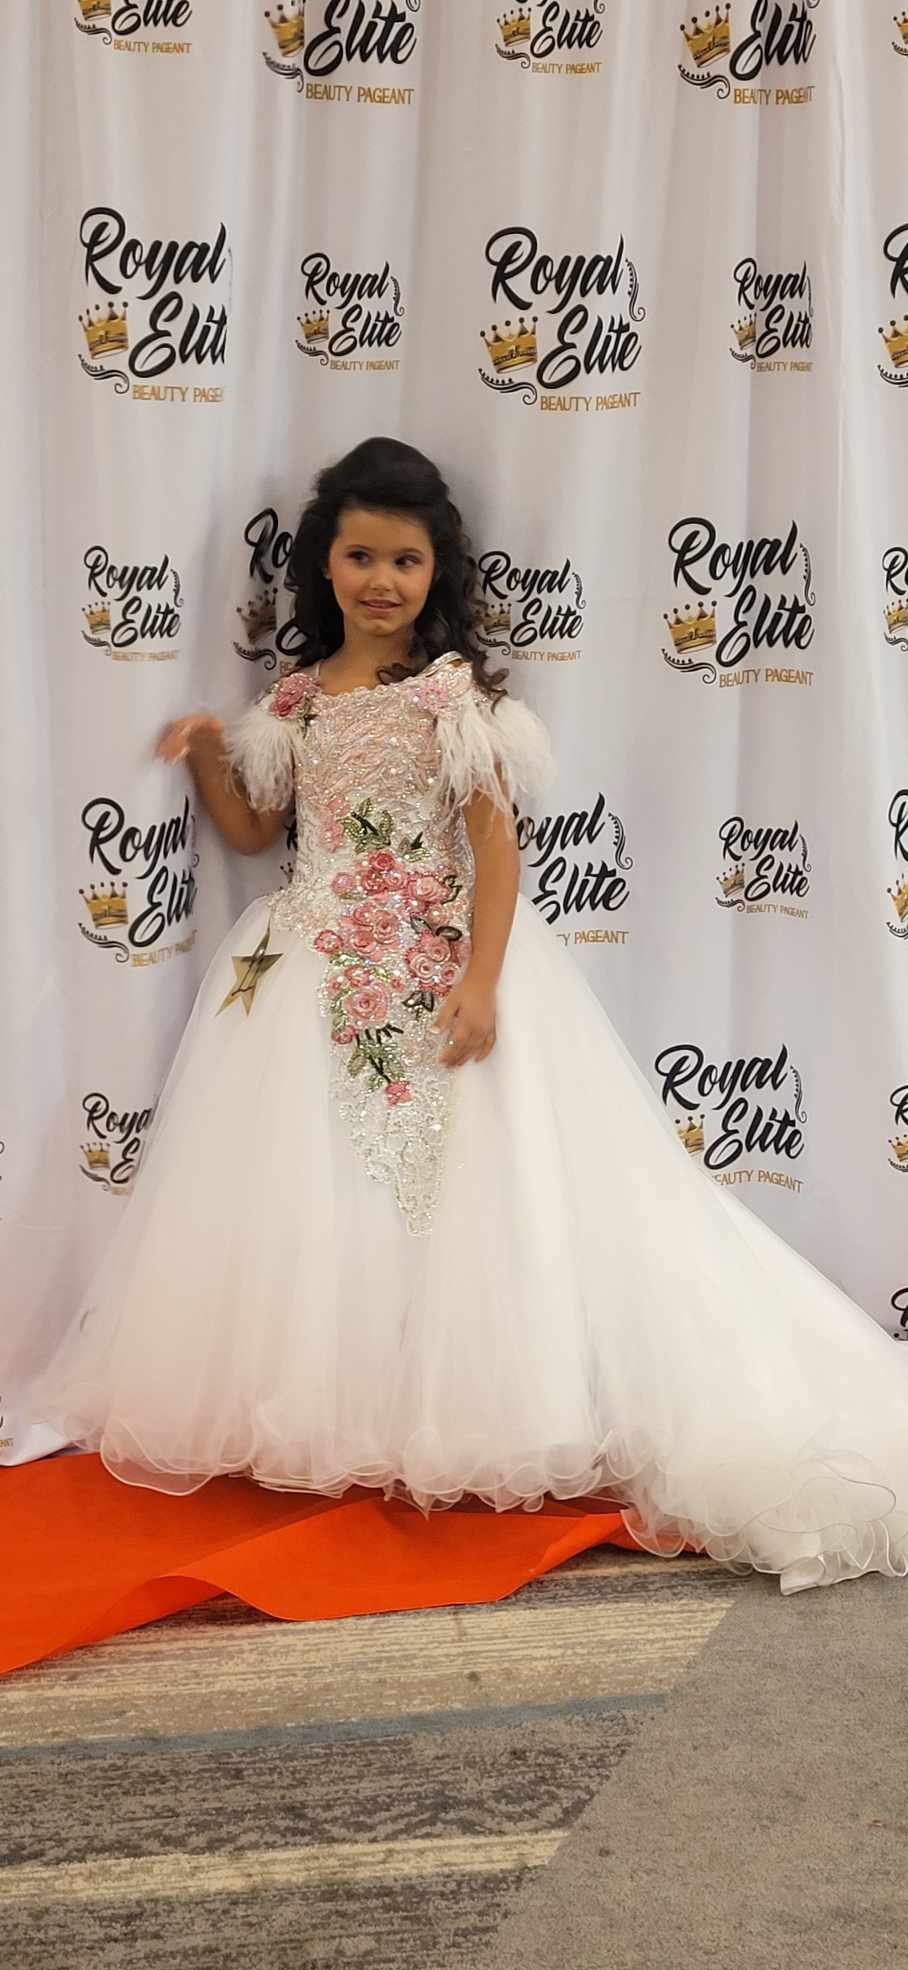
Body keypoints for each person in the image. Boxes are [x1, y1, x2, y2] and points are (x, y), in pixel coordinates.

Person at [32, 437, 908, 1596]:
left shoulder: (452, 700)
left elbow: (496, 848)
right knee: (322, 1192)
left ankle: (467, 1414)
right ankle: (345, 1410)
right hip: (308, 969)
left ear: (434, 571)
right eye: (360, 557)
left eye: (403, 560)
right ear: (325, 563)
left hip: (435, 962)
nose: (380, 581)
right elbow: (255, 833)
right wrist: (203, 754)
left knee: (460, 1195)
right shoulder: (293, 701)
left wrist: (482, 977)